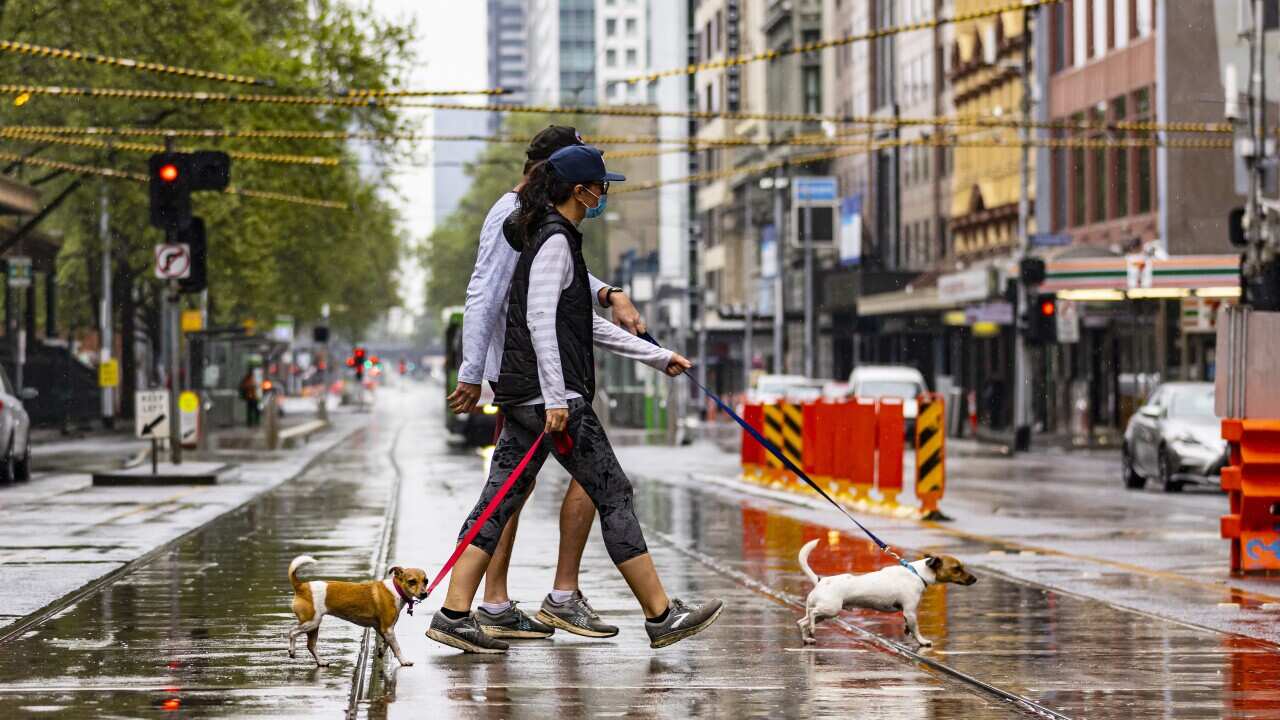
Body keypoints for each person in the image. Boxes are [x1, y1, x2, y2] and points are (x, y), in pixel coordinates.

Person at [427, 144, 723, 654]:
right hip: (550, 399)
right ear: (578, 190)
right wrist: (556, 396)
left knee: (501, 497)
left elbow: (578, 321)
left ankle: (454, 613)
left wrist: (655, 356)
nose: (604, 193)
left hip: (527, 394)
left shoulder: (545, 237)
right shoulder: (554, 240)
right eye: (600, 185)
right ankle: (659, 614)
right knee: (613, 492)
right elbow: (541, 319)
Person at [444, 125, 645, 641]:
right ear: (557, 175)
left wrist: (609, 294)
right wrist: (472, 372)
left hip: (544, 375)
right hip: (529, 376)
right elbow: (488, 292)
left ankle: (512, 599)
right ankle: (502, 600)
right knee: (523, 485)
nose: (599, 190)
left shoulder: (545, 222)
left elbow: (563, 277)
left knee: (532, 481)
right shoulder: (511, 214)